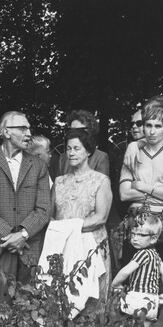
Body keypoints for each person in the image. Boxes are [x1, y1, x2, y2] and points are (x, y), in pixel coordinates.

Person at [119, 97, 163, 319]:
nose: (151, 131)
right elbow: (124, 193)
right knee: (135, 285)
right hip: (137, 225)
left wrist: (142, 186)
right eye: (147, 124)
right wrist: (160, 191)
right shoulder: (133, 151)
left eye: (158, 126)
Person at [0, 111, 51, 308]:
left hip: (30, 247)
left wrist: (23, 234)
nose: (28, 133)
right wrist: (11, 236)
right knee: (0, 310)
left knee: (30, 311)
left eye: (29, 128)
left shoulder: (39, 165)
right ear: (6, 132)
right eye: (23, 128)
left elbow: (43, 208)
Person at [47, 128, 112, 312]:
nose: (71, 153)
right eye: (68, 149)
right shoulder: (59, 182)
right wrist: (62, 233)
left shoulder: (101, 180)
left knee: (92, 300)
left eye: (77, 148)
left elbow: (101, 217)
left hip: (92, 246)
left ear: (88, 151)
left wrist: (69, 228)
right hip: (63, 245)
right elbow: (50, 214)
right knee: (62, 295)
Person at [52, 109, 110, 179]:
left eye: (78, 130)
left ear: (89, 131)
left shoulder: (100, 157)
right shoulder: (63, 158)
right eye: (71, 130)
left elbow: (100, 186)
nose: (73, 133)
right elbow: (57, 186)